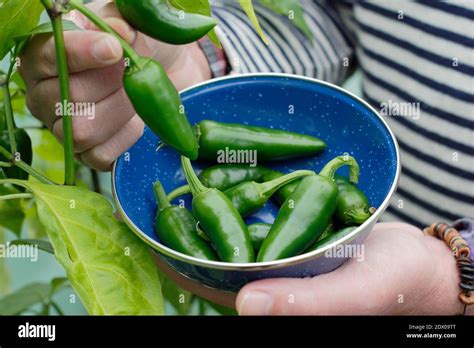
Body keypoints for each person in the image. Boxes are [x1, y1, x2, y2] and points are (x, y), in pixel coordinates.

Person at [18, 0, 473, 315]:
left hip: (416, 251)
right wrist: (204, 62)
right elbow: (326, 16)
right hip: (370, 233)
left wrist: (458, 277)